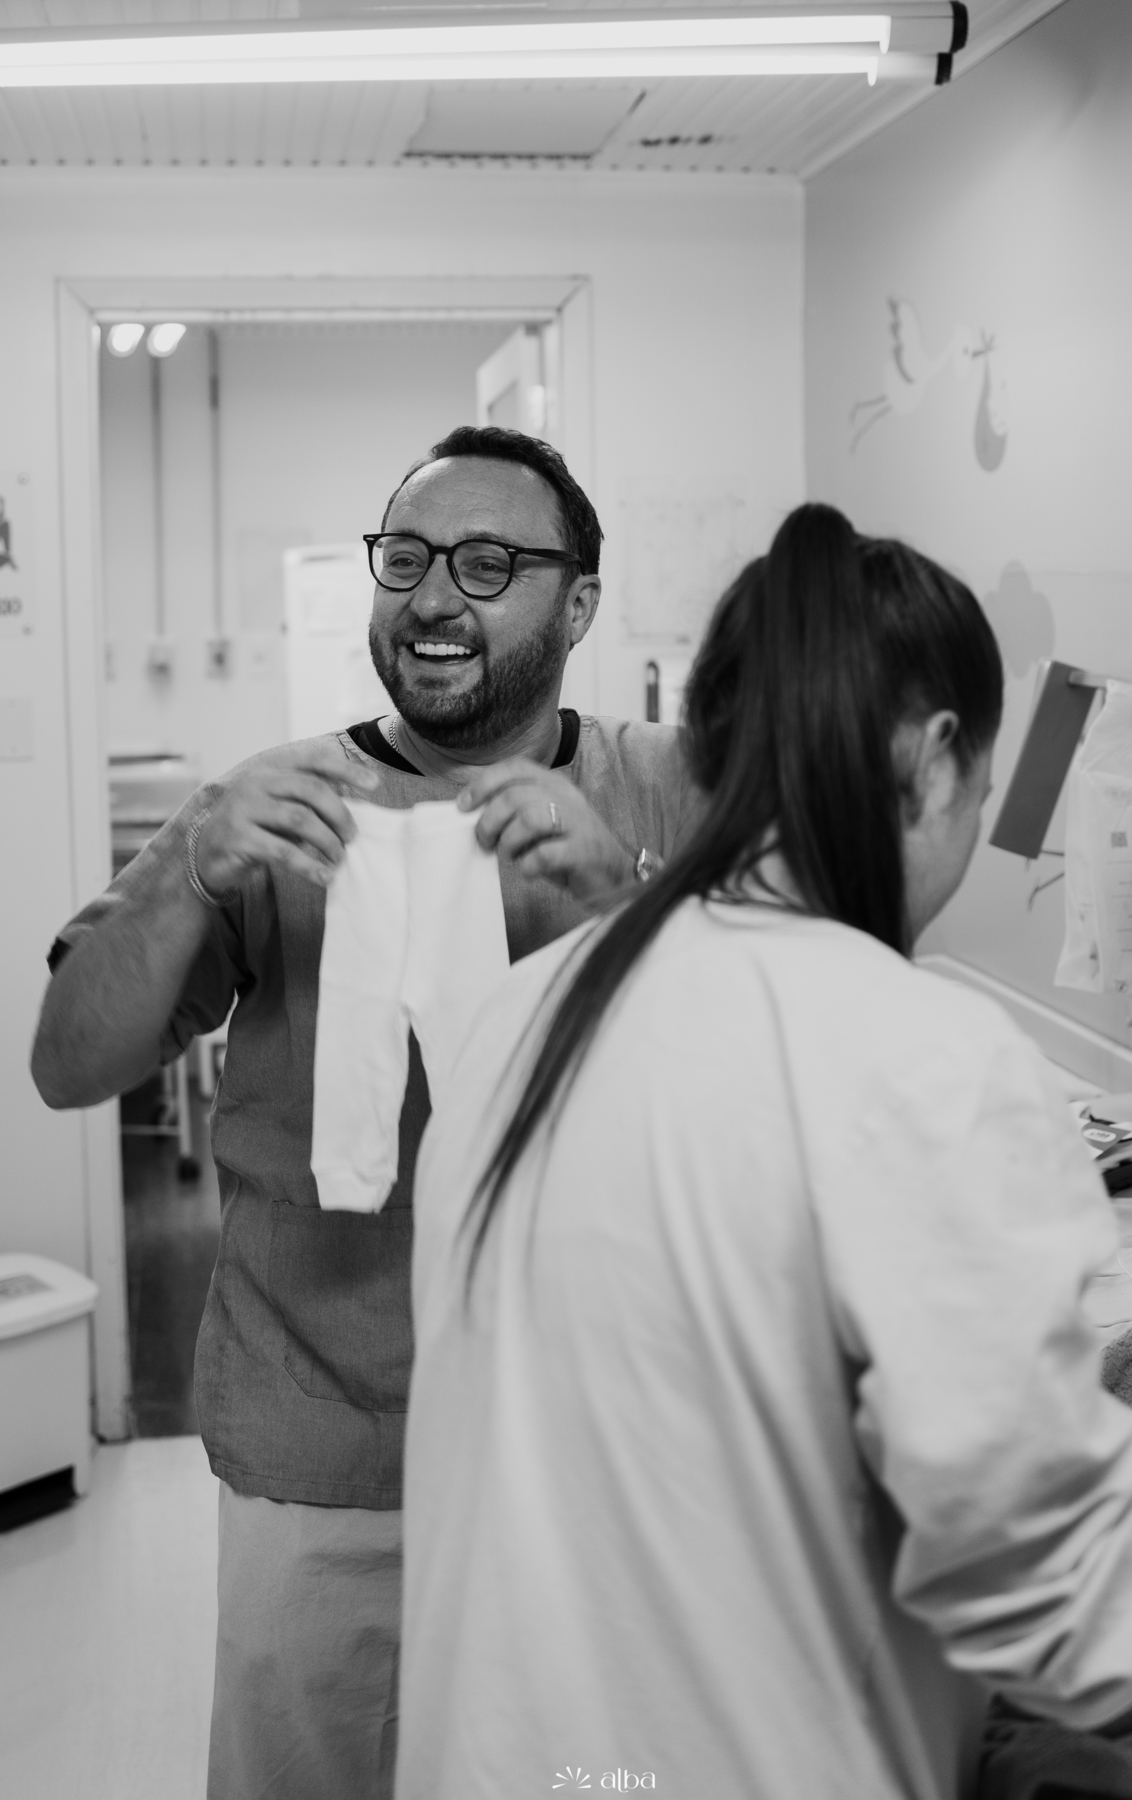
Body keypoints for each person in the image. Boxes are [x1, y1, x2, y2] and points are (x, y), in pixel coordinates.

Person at [398, 503, 1132, 1800]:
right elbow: (1062, 1622)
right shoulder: (921, 1052)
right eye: (986, 786)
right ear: (937, 757)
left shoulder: (525, 1013)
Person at [30, 426, 700, 1800]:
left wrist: (623, 892)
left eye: (490, 562)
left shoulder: (673, 789)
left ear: (578, 602)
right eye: (405, 558)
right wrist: (187, 873)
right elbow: (66, 1060)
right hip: (325, 1453)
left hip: (600, 1461)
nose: (434, 598)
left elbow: (803, 1046)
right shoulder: (274, 811)